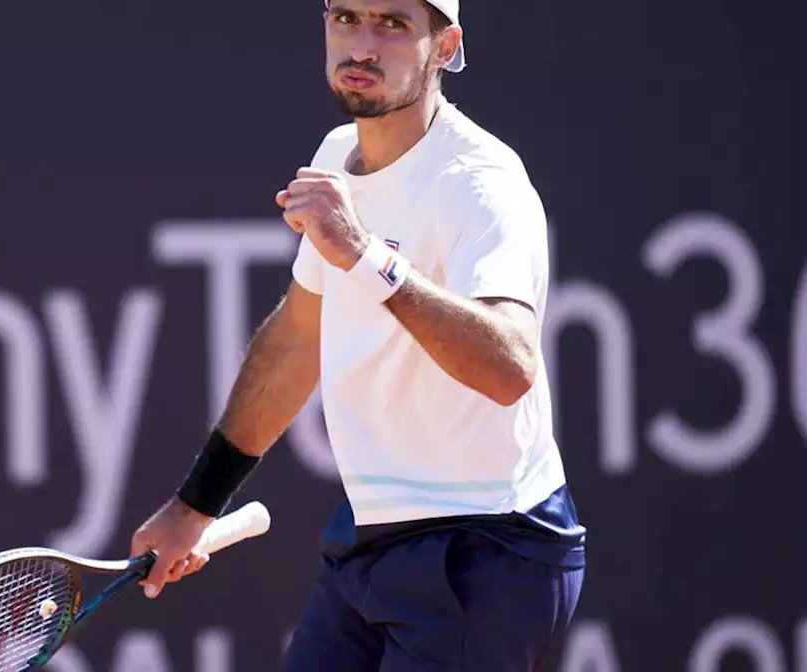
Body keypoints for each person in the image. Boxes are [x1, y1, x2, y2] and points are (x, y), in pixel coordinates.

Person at [128, 0, 587, 669]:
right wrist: (196, 504)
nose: (361, 45)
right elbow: (296, 339)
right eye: (345, 18)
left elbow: (510, 367)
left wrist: (368, 256)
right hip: (371, 536)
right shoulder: (338, 157)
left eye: (392, 24)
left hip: (489, 548)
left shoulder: (483, 184)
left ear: (444, 44)